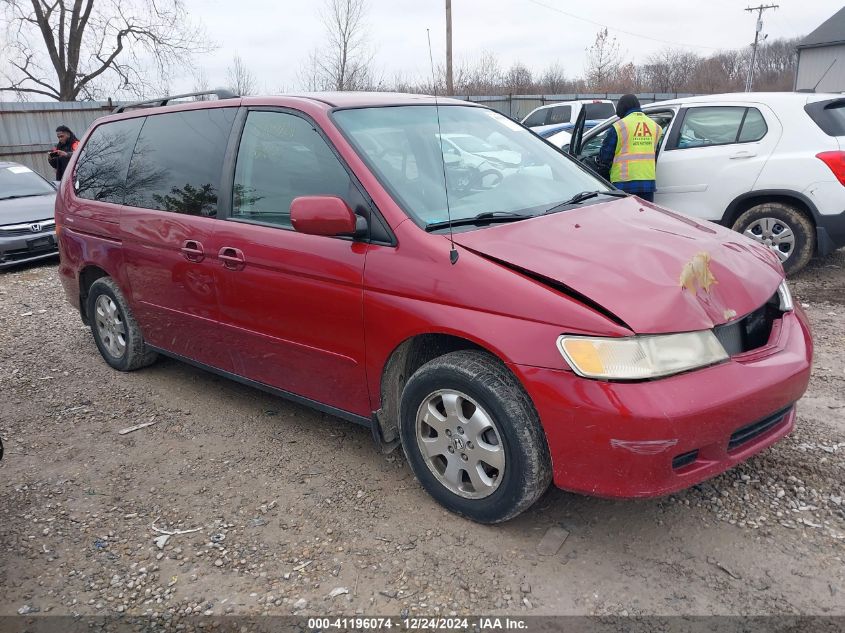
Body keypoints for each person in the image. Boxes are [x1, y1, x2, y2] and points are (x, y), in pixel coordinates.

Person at [596, 94, 662, 202]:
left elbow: (605, 157)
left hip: (623, 183)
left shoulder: (619, 127)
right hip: (648, 183)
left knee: (624, 217)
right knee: (643, 216)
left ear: (622, 108)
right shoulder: (655, 127)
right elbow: (654, 152)